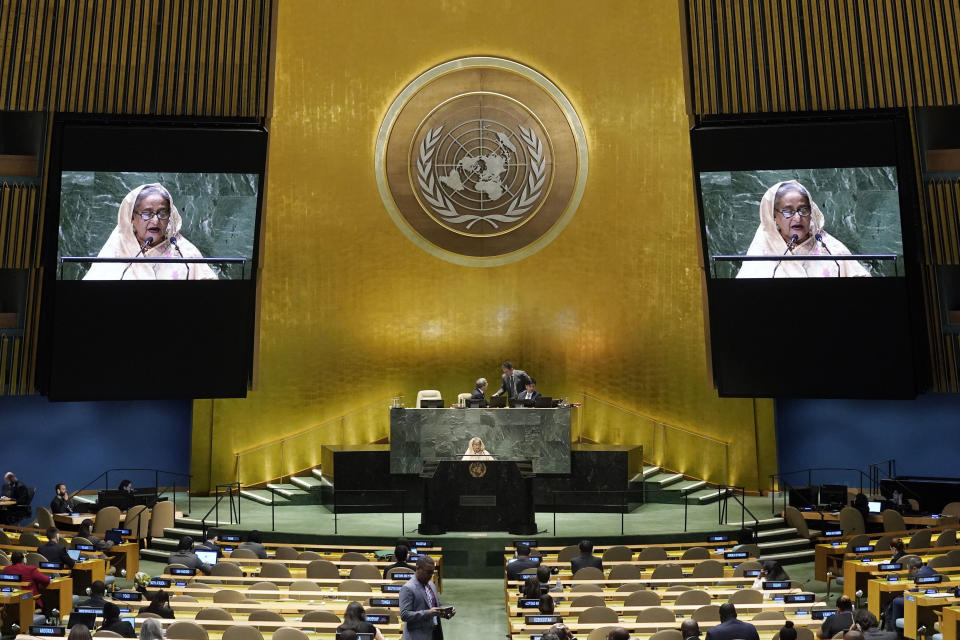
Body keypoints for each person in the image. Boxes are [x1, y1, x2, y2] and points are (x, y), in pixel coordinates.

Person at [736, 180, 871, 278]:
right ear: (774, 216)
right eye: (788, 211)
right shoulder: (762, 248)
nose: (797, 218)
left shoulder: (829, 248)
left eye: (803, 210)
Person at [84, 183, 218, 281]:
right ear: (132, 218)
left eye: (162, 213)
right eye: (147, 214)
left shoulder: (184, 252)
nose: (155, 221)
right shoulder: (117, 248)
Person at [399, 555, 455, 640]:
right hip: (416, 636)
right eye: (428, 572)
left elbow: (436, 605)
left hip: (434, 633)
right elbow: (405, 615)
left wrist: (445, 612)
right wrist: (428, 613)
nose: (430, 575)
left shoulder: (431, 585)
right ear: (418, 568)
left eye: (432, 572)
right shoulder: (408, 588)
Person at [887, 555, 937, 628]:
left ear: (914, 568)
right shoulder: (932, 571)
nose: (909, 573)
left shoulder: (919, 575)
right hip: (933, 603)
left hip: (920, 602)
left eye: (909, 570)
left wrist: (908, 594)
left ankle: (896, 631)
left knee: (896, 601)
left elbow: (912, 594)